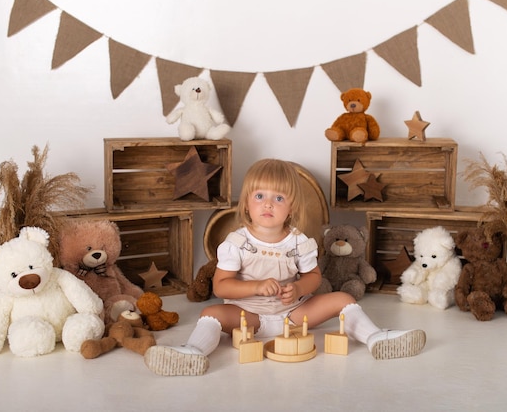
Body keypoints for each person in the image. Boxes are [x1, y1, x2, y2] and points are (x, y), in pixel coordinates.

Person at [144, 159, 426, 376]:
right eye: (259, 196)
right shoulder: (237, 242)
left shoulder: (299, 241)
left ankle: (376, 339)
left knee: (343, 299)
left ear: (290, 207)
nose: (268, 204)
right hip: (248, 317)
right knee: (211, 313)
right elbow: (221, 286)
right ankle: (192, 353)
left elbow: (314, 276)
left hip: (294, 315)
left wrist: (299, 288)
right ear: (246, 203)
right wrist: (254, 287)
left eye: (278, 198)